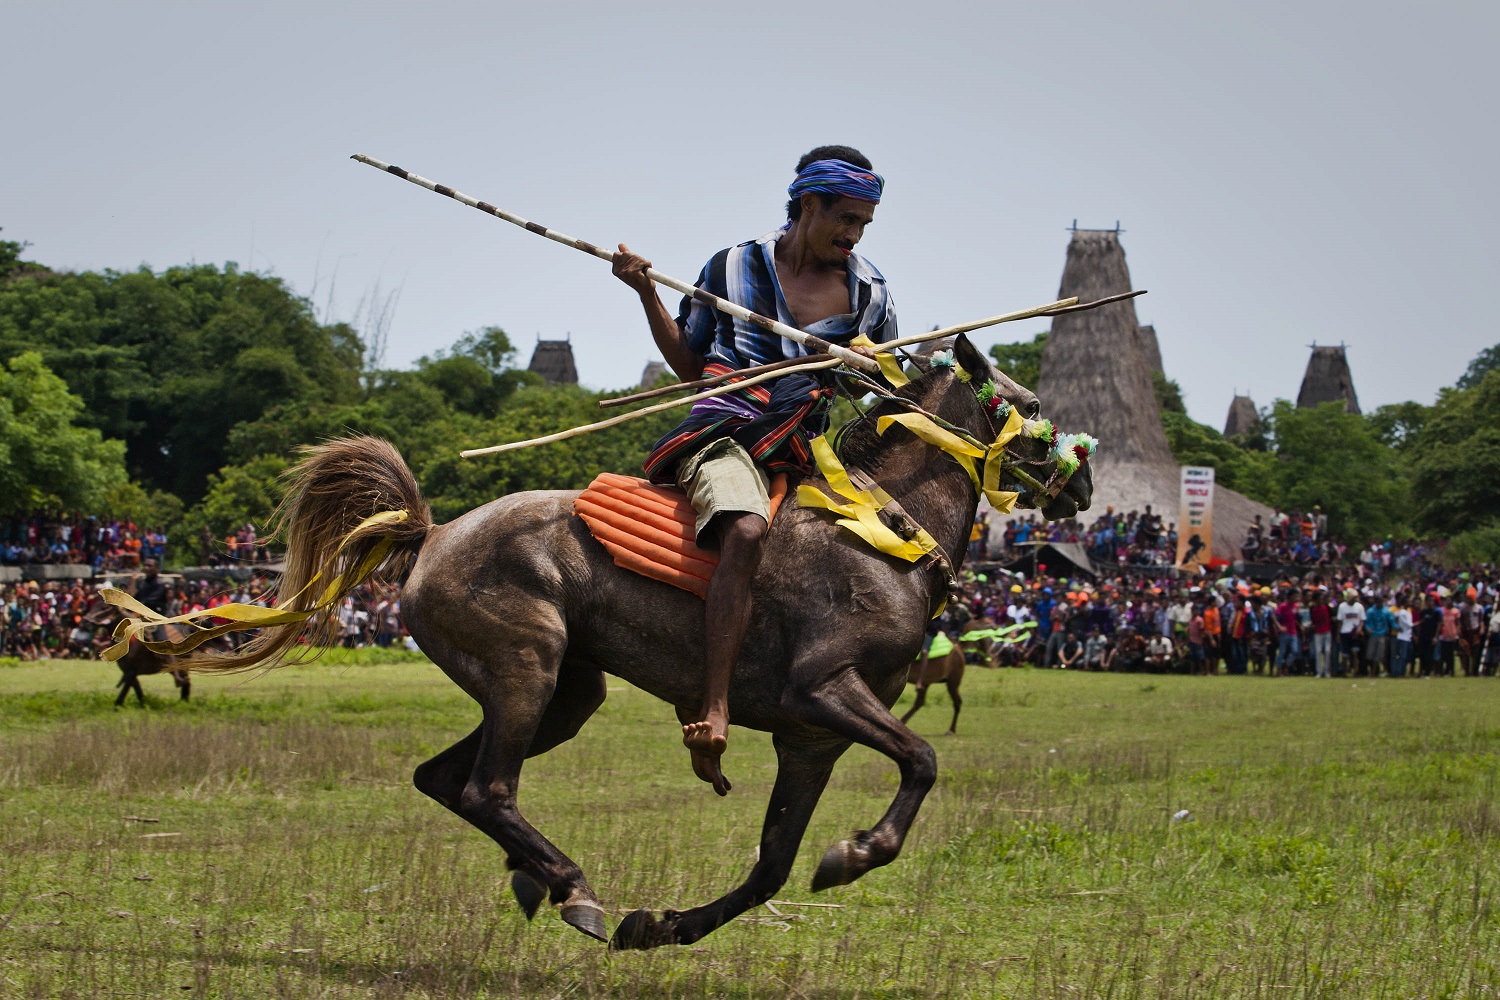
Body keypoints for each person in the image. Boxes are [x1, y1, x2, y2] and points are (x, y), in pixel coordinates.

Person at [613, 146, 895, 795]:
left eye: (864, 224)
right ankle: (713, 706)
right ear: (808, 205)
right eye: (845, 218)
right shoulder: (730, 265)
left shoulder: (872, 294)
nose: (853, 235)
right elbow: (689, 363)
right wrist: (645, 291)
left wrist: (871, 366)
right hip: (723, 432)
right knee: (743, 531)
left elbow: (884, 387)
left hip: (804, 448)